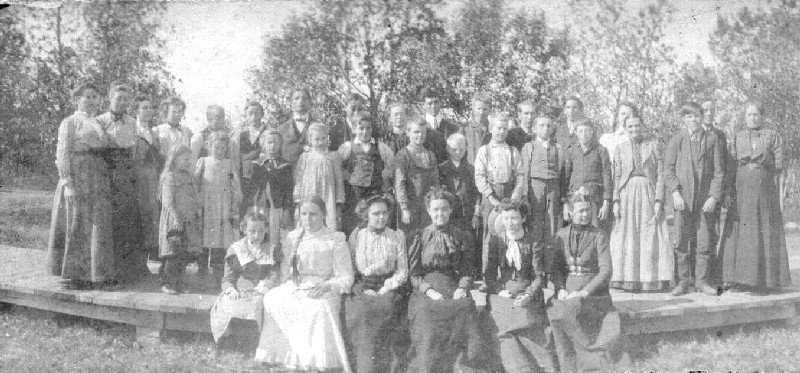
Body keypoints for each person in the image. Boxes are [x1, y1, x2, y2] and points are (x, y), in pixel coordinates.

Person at [255, 196, 354, 372]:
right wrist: (286, 283)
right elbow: (286, 271)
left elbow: (345, 276)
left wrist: (326, 286)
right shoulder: (294, 237)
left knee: (318, 308)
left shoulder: (335, 239)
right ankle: (282, 356)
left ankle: (315, 360)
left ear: (324, 215)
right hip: (297, 285)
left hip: (324, 287)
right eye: (304, 214)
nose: (308, 219)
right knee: (273, 299)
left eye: (313, 214)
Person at [406, 188, 486, 373]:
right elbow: (414, 274)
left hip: (452, 285)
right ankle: (428, 365)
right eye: (435, 209)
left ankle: (462, 363)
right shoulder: (420, 236)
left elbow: (467, 270)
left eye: (444, 209)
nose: (440, 213)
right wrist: (429, 291)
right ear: (428, 211)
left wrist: (462, 287)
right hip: (425, 289)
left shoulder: (461, 236)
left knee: (465, 307)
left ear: (451, 210)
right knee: (426, 312)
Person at [548, 190, 627, 372]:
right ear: (571, 213)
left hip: (593, 294)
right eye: (580, 211)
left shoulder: (599, 235)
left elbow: (606, 270)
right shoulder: (561, 235)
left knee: (574, 309)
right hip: (566, 291)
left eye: (587, 210)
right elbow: (556, 268)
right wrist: (559, 288)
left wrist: (584, 292)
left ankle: (587, 362)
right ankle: (567, 363)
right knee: (556, 312)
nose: (585, 214)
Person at [46, 82, 114, 290]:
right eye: (87, 97)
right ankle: (73, 275)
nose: (92, 100)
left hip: (97, 176)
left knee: (96, 225)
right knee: (77, 223)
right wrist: (67, 183)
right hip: (78, 174)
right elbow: (62, 152)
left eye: (95, 97)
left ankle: (94, 274)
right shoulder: (71, 122)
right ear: (78, 99)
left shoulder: (99, 122)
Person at [721, 100, 791, 292]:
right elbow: (731, 165)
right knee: (742, 229)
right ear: (745, 118)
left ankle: (765, 280)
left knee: (764, 227)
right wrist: (728, 191)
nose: (753, 118)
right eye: (749, 115)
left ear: (762, 116)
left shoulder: (772, 135)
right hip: (741, 187)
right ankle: (739, 279)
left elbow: (778, 165)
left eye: (756, 115)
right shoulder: (737, 136)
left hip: (764, 188)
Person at [482, 201, 559, 372]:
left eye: (514, 218)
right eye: (506, 218)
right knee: (501, 325)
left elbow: (539, 277)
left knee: (528, 324)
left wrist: (529, 294)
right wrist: (499, 290)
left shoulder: (533, 241)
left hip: (527, 290)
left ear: (523, 218)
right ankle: (519, 367)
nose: (510, 222)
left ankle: (542, 365)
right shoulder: (496, 240)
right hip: (503, 292)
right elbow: (489, 274)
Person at [663, 102, 724, 296]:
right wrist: (675, 192)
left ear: (702, 116)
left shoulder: (712, 139)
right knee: (681, 241)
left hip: (704, 202)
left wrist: (714, 196)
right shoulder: (677, 140)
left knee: (704, 241)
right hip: (682, 200)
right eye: (689, 117)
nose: (694, 119)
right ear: (684, 119)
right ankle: (682, 282)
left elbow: (719, 172)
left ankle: (702, 282)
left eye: (697, 115)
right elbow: (668, 170)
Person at [342, 196, 408, 373]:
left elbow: (402, 271)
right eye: (376, 213)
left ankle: (383, 366)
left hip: (389, 287)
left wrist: (385, 288)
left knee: (384, 310)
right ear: (366, 215)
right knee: (360, 313)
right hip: (362, 286)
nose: (381, 217)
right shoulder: (357, 236)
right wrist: (362, 288)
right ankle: (363, 366)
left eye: (384, 213)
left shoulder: (396, 236)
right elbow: (349, 267)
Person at [610, 116, 673, 291]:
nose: (634, 129)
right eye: (630, 127)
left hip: (648, 191)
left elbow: (661, 173)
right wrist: (616, 200)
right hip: (627, 193)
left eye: (637, 126)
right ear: (625, 128)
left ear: (643, 126)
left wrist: (659, 199)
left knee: (650, 233)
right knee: (628, 235)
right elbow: (616, 176)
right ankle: (627, 279)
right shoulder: (619, 148)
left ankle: (650, 279)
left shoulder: (653, 145)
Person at [96, 83, 145, 283]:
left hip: (125, 172)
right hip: (107, 170)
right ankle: (108, 269)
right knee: (109, 219)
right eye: (119, 98)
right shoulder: (99, 120)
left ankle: (128, 269)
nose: (122, 102)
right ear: (110, 98)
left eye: (126, 99)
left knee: (127, 218)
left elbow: (133, 150)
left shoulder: (133, 122)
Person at [209, 210, 282, 342]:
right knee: (228, 302)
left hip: (263, 290)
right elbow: (227, 278)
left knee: (263, 303)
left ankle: (259, 340)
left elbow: (274, 275)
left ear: (266, 229)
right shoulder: (236, 249)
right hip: (241, 290)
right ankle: (230, 339)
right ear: (244, 230)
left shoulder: (271, 249)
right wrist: (231, 289)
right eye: (252, 231)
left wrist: (265, 288)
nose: (256, 235)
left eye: (261, 231)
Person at [474, 112, 525, 262]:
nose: (501, 132)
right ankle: (487, 277)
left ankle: (506, 273)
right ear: (491, 129)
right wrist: (491, 197)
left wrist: (515, 197)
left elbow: (520, 175)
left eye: (504, 129)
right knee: (490, 233)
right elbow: (479, 176)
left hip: (509, 195)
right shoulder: (484, 151)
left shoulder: (512, 151)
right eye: (498, 128)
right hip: (491, 195)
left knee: (508, 232)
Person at [195, 132, 242, 288]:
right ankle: (201, 273)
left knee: (219, 243)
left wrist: (234, 207)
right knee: (203, 242)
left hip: (223, 208)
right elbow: (195, 184)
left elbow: (235, 187)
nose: (219, 150)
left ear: (227, 148)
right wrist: (196, 204)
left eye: (223, 148)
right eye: (216, 147)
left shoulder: (229, 164)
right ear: (209, 146)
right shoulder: (203, 161)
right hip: (206, 207)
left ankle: (217, 277)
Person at [337, 111, 395, 236]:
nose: (365, 132)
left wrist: (384, 179)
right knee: (354, 225)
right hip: (354, 194)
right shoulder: (348, 147)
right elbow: (337, 166)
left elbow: (391, 165)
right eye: (361, 128)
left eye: (368, 128)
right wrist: (349, 176)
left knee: (374, 225)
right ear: (354, 129)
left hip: (374, 194)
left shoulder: (380, 147)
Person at [158, 145, 203, 294]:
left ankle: (180, 282)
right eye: (185, 159)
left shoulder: (189, 176)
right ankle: (168, 283)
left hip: (188, 220)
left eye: (190, 159)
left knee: (185, 253)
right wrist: (175, 218)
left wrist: (198, 209)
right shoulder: (170, 177)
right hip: (174, 221)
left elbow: (195, 195)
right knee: (173, 253)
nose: (188, 162)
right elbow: (167, 201)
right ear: (175, 160)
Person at [439, 133, 481, 269]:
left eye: (461, 150)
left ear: (466, 149)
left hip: (466, 213)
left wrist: (476, 212)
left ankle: (468, 271)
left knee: (467, 241)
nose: (458, 153)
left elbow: (477, 193)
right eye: (454, 149)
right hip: (449, 213)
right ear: (447, 149)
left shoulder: (471, 169)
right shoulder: (442, 169)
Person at [395, 118, 441, 244]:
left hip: (427, 207)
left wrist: (435, 205)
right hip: (410, 207)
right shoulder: (402, 155)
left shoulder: (430, 155)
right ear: (408, 133)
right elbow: (400, 184)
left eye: (423, 132)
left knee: (428, 240)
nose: (420, 135)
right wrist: (404, 209)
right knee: (410, 242)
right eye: (416, 132)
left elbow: (436, 183)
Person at [562, 120, 613, 235]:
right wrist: (565, 204)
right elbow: (565, 178)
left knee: (593, 232)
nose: (584, 134)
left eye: (587, 131)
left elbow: (607, 177)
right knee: (575, 231)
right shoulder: (571, 151)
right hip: (574, 199)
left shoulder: (601, 151)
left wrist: (606, 203)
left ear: (592, 132)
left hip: (594, 198)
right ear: (576, 132)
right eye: (581, 131)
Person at [520, 115, 563, 246]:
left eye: (548, 126)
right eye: (541, 126)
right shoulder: (529, 147)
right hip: (535, 187)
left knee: (552, 223)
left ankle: (549, 261)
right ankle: (535, 262)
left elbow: (560, 170)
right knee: (536, 223)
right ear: (534, 129)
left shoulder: (557, 148)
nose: (545, 129)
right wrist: (525, 194)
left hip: (552, 187)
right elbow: (525, 171)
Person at [293, 124, 345, 231]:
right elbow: (299, 179)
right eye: (316, 139)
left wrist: (339, 201)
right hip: (309, 195)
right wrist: (297, 201)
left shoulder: (333, 157)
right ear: (310, 140)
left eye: (323, 138)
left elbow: (339, 180)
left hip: (327, 196)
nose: (320, 142)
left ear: (328, 138)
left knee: (328, 222)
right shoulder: (305, 157)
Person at [132, 96, 162, 268]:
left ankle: (149, 258)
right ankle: (137, 263)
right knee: (139, 215)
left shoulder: (152, 131)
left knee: (152, 216)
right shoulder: (133, 129)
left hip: (153, 179)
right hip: (139, 178)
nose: (148, 111)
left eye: (150, 108)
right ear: (136, 111)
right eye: (144, 108)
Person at [250, 130, 293, 246]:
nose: (272, 145)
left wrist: (286, 211)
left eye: (276, 143)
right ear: (263, 144)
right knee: (259, 234)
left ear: (280, 145)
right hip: (260, 206)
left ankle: (274, 261)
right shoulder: (257, 164)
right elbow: (253, 190)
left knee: (275, 237)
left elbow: (288, 191)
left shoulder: (285, 165)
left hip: (277, 207)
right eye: (269, 142)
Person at [232, 101, 270, 217]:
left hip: (263, 180)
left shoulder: (269, 132)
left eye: (257, 113)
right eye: (250, 113)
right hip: (246, 182)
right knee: (246, 216)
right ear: (246, 116)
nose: (254, 117)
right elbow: (236, 161)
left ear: (262, 114)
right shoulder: (240, 135)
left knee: (263, 214)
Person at [275, 87, 316, 164]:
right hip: (289, 173)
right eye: (296, 98)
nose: (300, 101)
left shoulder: (319, 126)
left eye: (304, 98)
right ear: (291, 102)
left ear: (310, 102)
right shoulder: (281, 129)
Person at [464, 93, 492, 165]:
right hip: (470, 171)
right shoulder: (464, 129)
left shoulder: (493, 130)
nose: (481, 112)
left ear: (489, 110)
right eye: (478, 109)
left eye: (485, 109)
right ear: (473, 109)